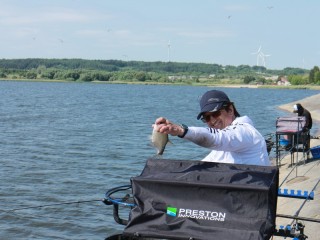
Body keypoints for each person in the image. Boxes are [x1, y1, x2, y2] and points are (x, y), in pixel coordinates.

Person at [153, 90, 271, 166]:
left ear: (230, 110)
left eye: (215, 114)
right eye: (207, 118)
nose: (212, 121)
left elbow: (217, 138)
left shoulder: (245, 131)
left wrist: (180, 130)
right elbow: (203, 165)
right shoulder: (223, 146)